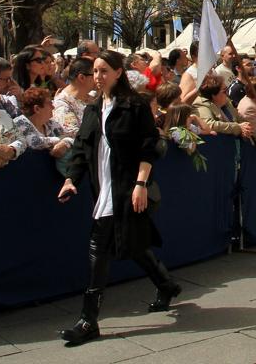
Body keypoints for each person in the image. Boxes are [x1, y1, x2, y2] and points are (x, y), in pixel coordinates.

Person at [57, 49, 181, 345]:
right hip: (103, 189)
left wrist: (141, 183)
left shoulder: (135, 105)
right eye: (95, 72)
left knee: (98, 250)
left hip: (127, 187)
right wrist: (70, 180)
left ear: (117, 73)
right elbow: (82, 148)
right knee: (132, 243)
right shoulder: (92, 109)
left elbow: (149, 146)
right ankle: (166, 284)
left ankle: (89, 320)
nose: (98, 77)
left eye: (103, 71)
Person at [13, 87, 72, 158]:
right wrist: (59, 140)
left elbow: (69, 137)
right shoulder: (21, 122)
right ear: (37, 109)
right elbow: (34, 142)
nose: (53, 107)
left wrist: (65, 142)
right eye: (49, 103)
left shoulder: (51, 124)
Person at [193, 72, 252, 139]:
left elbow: (238, 117)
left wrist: (245, 128)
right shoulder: (200, 104)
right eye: (224, 91)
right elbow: (209, 124)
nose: (227, 94)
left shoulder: (225, 100)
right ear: (213, 95)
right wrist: (238, 128)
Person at [53, 57, 95, 138]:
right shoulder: (62, 104)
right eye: (95, 73)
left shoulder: (91, 98)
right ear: (82, 78)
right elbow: (74, 134)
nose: (98, 77)